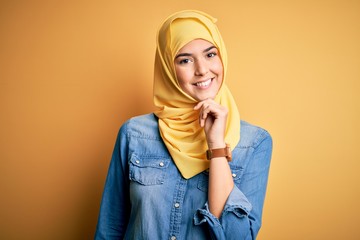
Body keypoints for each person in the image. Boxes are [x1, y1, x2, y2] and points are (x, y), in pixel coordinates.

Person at [95, 10, 272, 240]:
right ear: (168, 68)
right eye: (185, 60)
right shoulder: (134, 134)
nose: (202, 69)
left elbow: (237, 237)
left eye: (210, 55)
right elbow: (110, 229)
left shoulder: (254, 143)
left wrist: (217, 145)